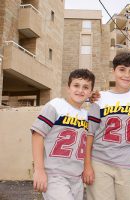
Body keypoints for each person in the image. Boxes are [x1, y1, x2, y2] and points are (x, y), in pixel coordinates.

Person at [83, 51, 130, 200]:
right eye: (122, 69)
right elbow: (89, 133)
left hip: (129, 163)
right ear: (113, 71)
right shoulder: (100, 98)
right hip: (100, 162)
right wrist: (87, 166)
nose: (126, 75)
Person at [30, 69, 95, 200]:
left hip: (76, 177)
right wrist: (39, 170)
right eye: (76, 85)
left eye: (86, 87)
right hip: (55, 174)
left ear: (90, 92)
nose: (80, 90)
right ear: (68, 88)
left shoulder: (86, 116)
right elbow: (37, 134)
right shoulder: (56, 106)